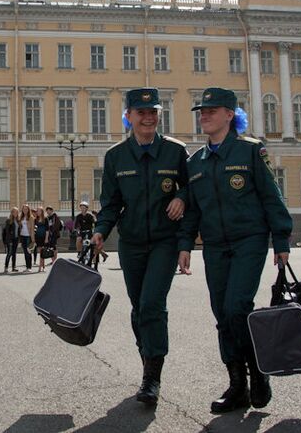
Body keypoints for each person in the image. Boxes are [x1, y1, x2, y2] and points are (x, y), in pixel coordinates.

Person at [177, 87, 293, 414]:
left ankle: (258, 372)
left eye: (211, 110)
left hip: (249, 240)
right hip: (214, 246)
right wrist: (185, 243)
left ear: (230, 114)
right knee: (221, 314)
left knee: (236, 308)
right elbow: (194, 210)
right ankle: (237, 385)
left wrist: (281, 240)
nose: (204, 115)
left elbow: (272, 196)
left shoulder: (250, 152)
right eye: (202, 110)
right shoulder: (196, 161)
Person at [92, 87, 189, 406]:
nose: (148, 118)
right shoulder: (115, 157)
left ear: (159, 116)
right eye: (141, 113)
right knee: (138, 308)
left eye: (153, 113)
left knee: (151, 305)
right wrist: (99, 231)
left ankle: (152, 376)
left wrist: (181, 196)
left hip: (165, 241)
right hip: (131, 243)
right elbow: (110, 202)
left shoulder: (175, 152)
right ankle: (147, 360)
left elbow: (192, 186)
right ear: (129, 116)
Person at [2, 207, 21, 273]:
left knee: (14, 253)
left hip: (16, 239)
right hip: (10, 239)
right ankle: (6, 267)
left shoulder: (18, 220)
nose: (15, 213)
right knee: (9, 253)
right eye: (14, 212)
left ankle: (13, 267)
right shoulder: (8, 220)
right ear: (12, 213)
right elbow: (7, 232)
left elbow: (19, 231)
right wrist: (9, 241)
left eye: (17, 212)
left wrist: (19, 240)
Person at [19, 204, 34, 272]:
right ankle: (27, 267)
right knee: (25, 252)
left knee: (28, 252)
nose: (25, 210)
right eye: (24, 209)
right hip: (22, 236)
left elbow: (32, 228)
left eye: (26, 209)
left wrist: (33, 239)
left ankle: (29, 267)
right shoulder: (21, 217)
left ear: (28, 210)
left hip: (28, 236)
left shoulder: (31, 217)